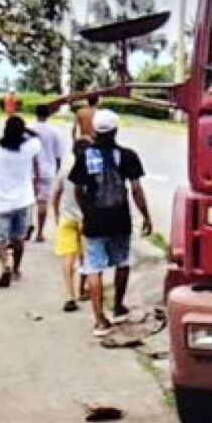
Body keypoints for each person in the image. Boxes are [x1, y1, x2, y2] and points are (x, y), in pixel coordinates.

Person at [69, 109, 152, 336]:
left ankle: (99, 321)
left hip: (94, 219)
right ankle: (117, 307)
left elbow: (78, 189)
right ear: (115, 130)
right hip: (120, 218)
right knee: (122, 262)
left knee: (94, 267)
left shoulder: (85, 156)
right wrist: (146, 216)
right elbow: (136, 190)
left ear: (95, 130)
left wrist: (86, 210)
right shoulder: (127, 156)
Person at [0, 116, 41, 288]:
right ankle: (16, 268)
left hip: (3, 202)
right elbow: (36, 137)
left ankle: (5, 264)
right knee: (18, 239)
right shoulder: (29, 149)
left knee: (1, 239)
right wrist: (27, 130)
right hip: (23, 200)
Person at [53, 139, 89, 312]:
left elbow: (56, 194)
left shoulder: (65, 171)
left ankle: (69, 294)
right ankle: (83, 289)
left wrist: (56, 214)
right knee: (86, 257)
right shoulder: (91, 172)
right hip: (87, 219)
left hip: (67, 218)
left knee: (68, 257)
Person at [31, 104, 63, 242]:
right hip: (47, 169)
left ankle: (26, 227)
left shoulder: (29, 129)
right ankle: (39, 232)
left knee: (27, 200)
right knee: (43, 202)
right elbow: (58, 154)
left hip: (30, 170)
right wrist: (56, 168)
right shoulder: (54, 131)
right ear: (48, 115)